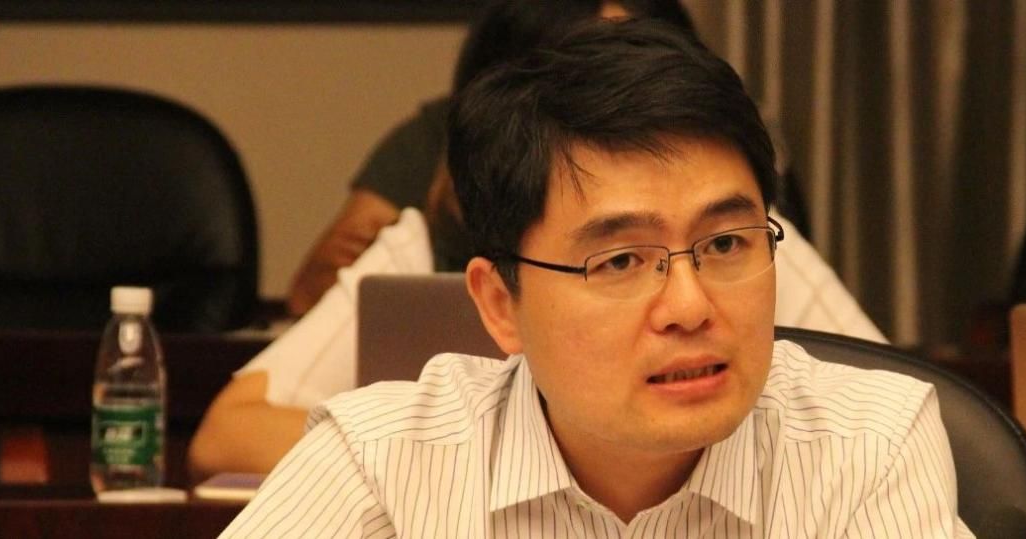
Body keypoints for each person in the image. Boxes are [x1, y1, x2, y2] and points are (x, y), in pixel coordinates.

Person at [222, 19, 971, 537]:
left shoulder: (867, 447)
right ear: (499, 304)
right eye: (619, 261)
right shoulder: (382, 463)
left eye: (724, 243)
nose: (689, 306)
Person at [284, 0, 696, 317]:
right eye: (590, 71)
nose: (618, 94)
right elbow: (316, 286)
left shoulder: (701, 152)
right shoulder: (443, 150)